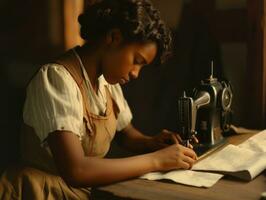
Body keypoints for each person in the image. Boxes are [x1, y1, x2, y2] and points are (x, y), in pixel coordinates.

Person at [0, 0, 197, 199]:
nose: (136, 73)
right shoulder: (56, 80)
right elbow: (76, 170)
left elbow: (126, 134)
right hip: (40, 192)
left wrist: (153, 142)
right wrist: (157, 160)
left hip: (80, 192)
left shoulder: (107, 83)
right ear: (113, 38)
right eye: (137, 61)